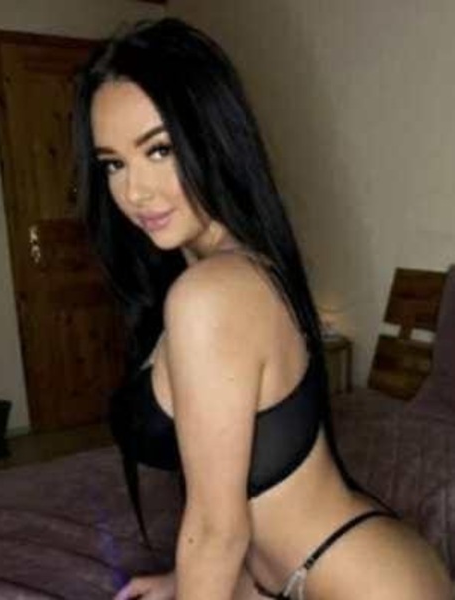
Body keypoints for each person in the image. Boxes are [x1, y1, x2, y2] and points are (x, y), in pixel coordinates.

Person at [73, 18, 452, 600]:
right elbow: (226, 508)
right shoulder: (228, 272)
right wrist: (183, 580)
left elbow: (217, 530)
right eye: (113, 164)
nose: (134, 192)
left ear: (213, 139)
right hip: (291, 575)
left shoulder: (213, 293)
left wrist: (200, 574)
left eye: (159, 150)